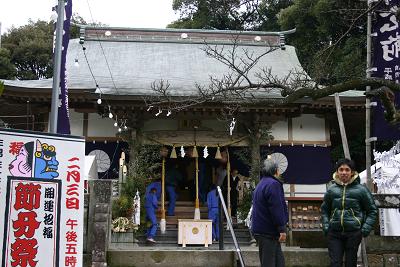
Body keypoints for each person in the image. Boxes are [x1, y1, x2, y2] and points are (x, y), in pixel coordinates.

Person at [321, 158, 377, 267]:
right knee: (335, 263)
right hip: (334, 233)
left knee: (350, 263)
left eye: (347, 170)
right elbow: (325, 210)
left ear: (352, 172)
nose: (344, 172)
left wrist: (364, 230)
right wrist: (326, 227)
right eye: (341, 169)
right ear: (337, 172)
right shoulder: (331, 190)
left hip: (353, 233)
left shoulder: (361, 190)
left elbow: (372, 210)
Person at [251, 158, 288, 267]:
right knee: (270, 263)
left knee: (278, 262)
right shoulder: (273, 184)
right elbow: (276, 208)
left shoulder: (261, 184)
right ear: (276, 171)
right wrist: (282, 228)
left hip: (261, 230)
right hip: (268, 231)